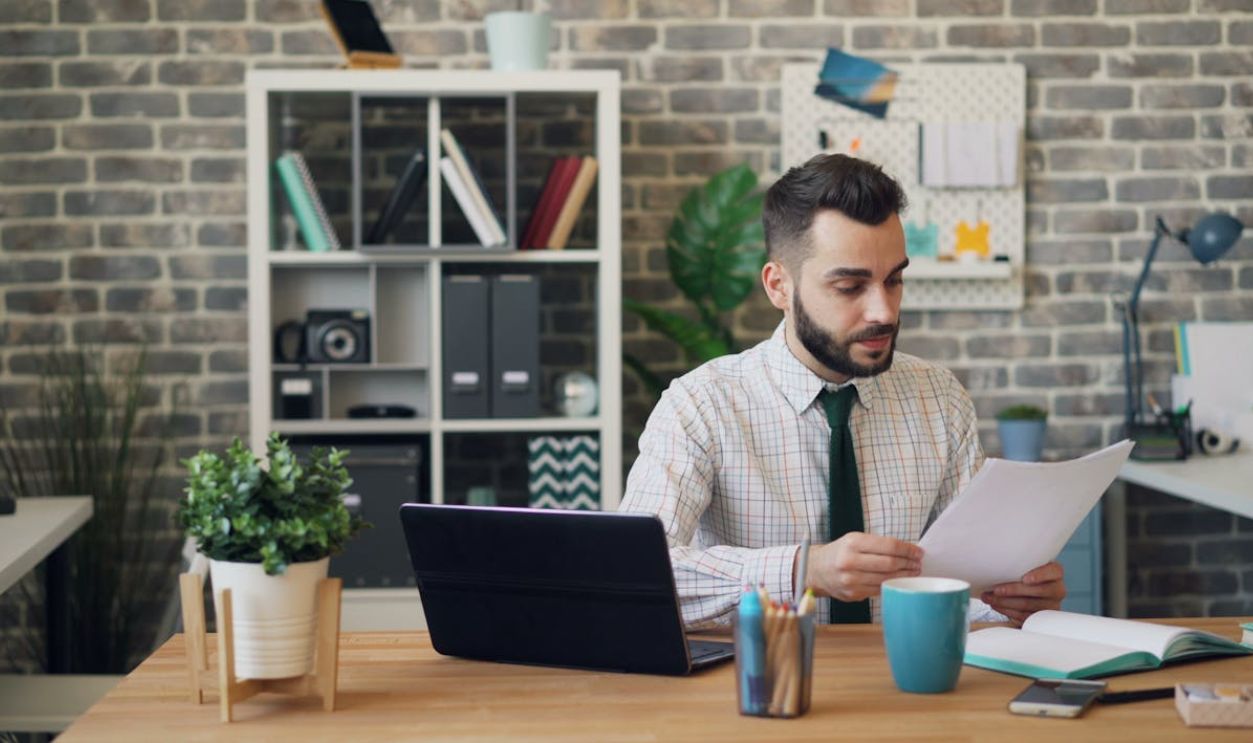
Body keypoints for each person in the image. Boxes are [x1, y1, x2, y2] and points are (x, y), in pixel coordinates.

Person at [619, 153, 1065, 627]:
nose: (884, 311)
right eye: (851, 286)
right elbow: (633, 570)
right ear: (778, 287)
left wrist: (1010, 600)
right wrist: (802, 570)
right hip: (758, 687)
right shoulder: (701, 405)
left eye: (894, 280)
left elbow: (964, 580)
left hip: (909, 682)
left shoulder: (940, 398)